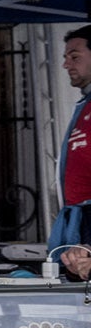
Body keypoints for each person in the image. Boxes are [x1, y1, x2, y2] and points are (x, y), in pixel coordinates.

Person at [51, 26, 91, 280]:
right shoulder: (85, 105)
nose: (66, 64)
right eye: (66, 57)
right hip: (79, 223)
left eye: (74, 57)